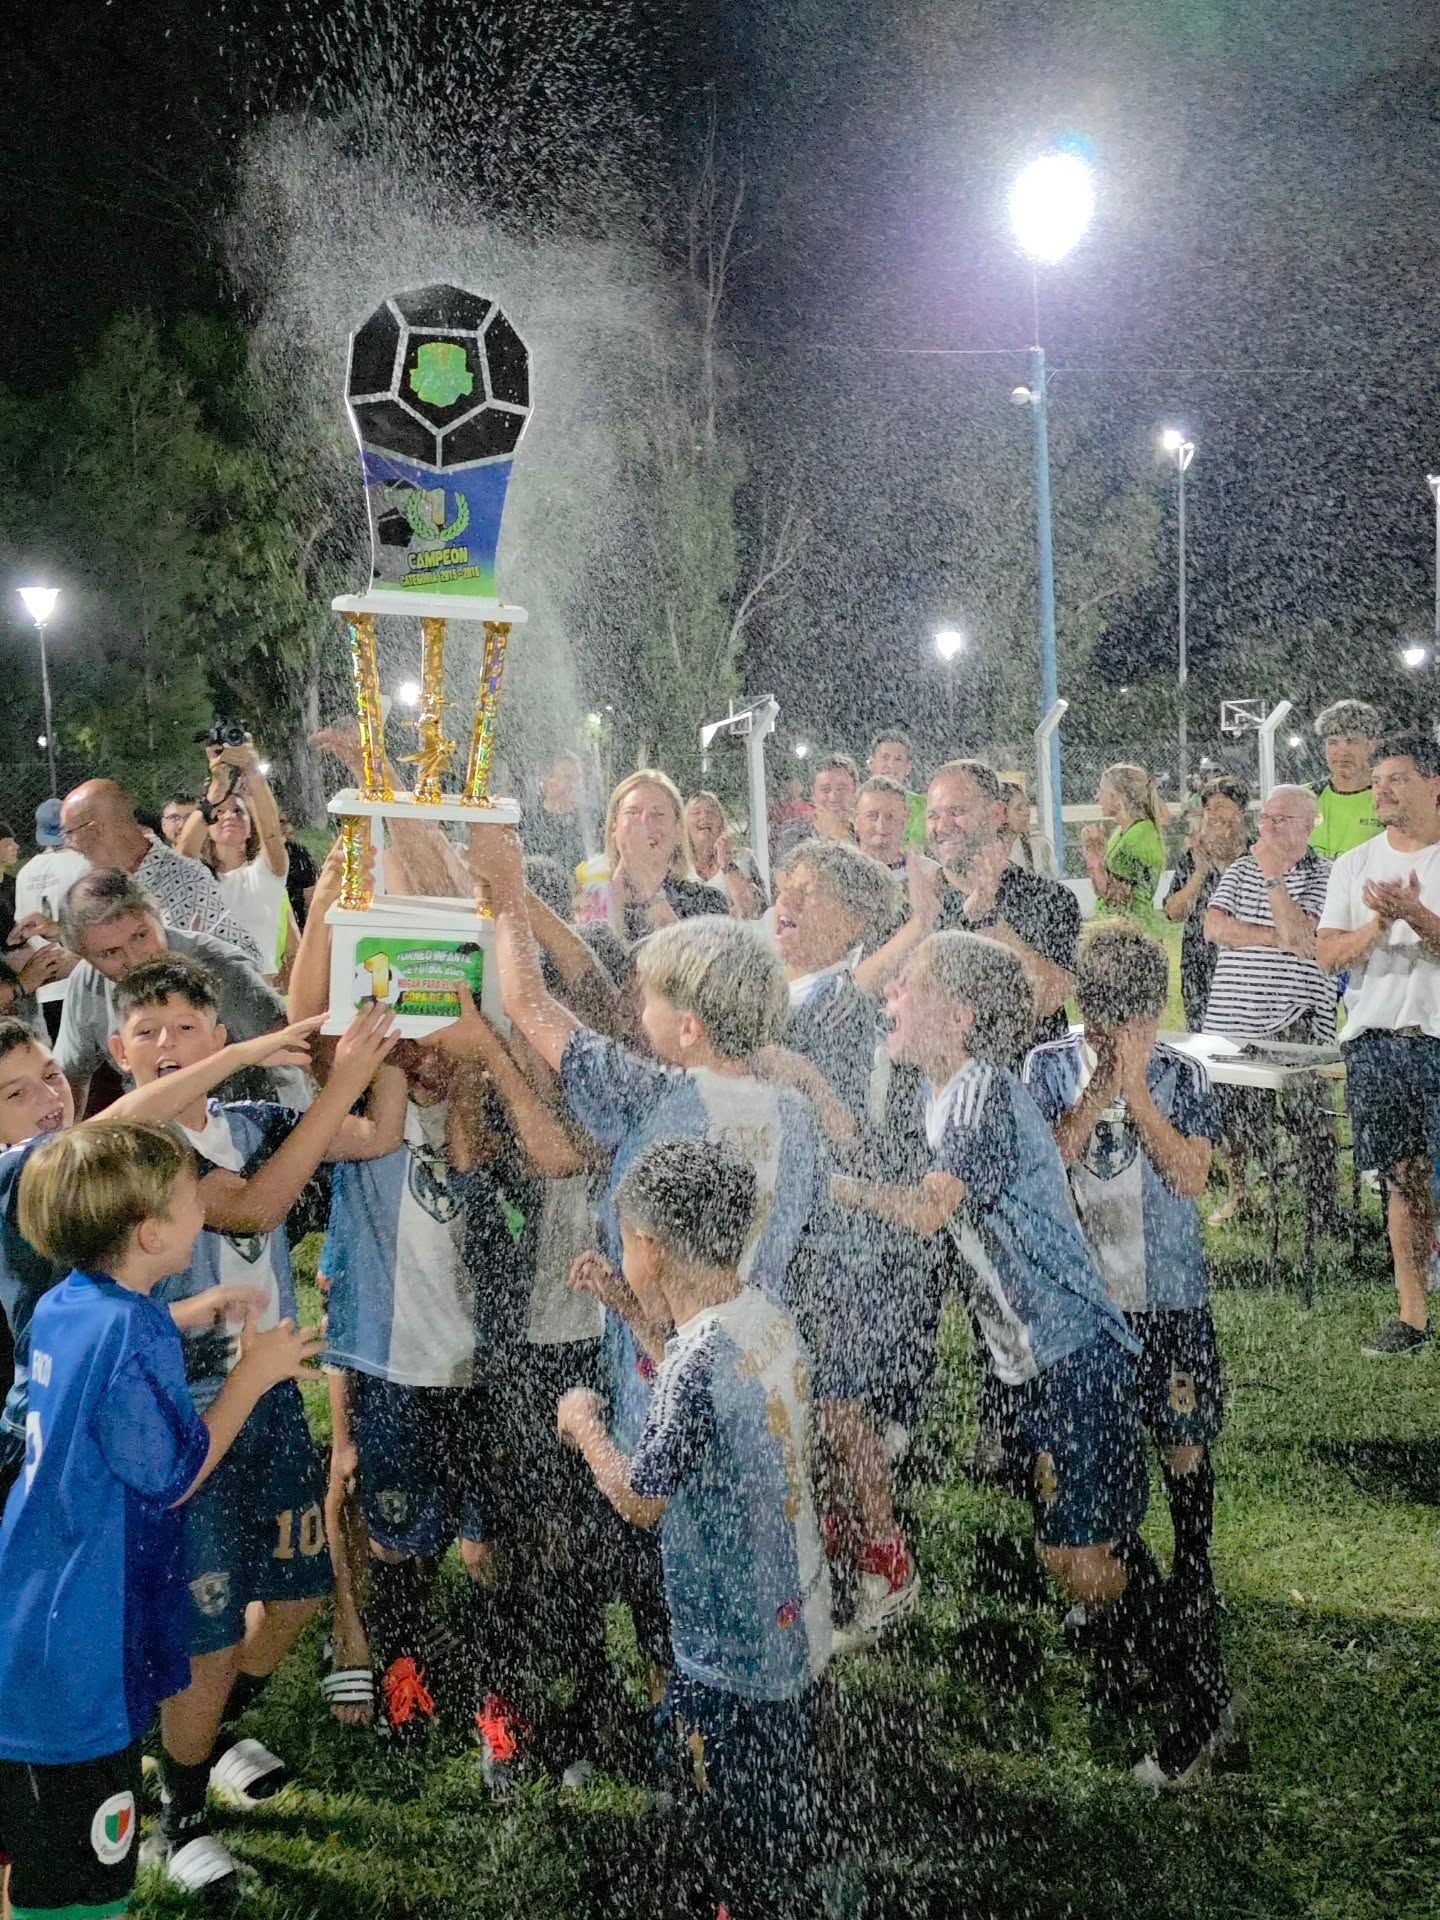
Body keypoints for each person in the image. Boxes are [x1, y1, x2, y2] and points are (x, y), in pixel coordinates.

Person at [834, 934, 1233, 1783]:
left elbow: (925, 1214)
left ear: (960, 1014)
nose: (891, 997)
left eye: (909, 986)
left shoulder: (979, 1093)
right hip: (1031, 1362)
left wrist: (824, 1185)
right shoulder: (943, 1095)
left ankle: (1199, 1702)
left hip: (1071, 1350)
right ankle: (1158, 1662)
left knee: (1075, 1558)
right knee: (1093, 1541)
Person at [107, 955, 400, 1895]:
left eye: (186, 1028)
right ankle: (179, 1812)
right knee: (209, 1628)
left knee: (302, 1593)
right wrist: (341, 1083)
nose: (165, 1046)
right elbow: (262, 1203)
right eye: (146, 1033)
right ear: (118, 1051)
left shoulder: (254, 1121)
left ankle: (212, 1735)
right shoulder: (137, 1153)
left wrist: (393, 1027)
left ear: (221, 1043)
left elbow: (381, 1132)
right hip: (182, 1413)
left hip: (271, 1398)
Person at [0, 1119, 322, 1920]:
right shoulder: (130, 1329)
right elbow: (172, 1476)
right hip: (75, 1663)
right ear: (149, 1232)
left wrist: (191, 1313)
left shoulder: (66, 1303)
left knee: (30, 1855)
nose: (205, 1210)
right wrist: (250, 1378)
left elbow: (100, 1367)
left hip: (29, 1615)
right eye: (194, 1201)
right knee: (82, 1892)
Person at [556, 1137, 830, 1918]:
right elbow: (701, 1394)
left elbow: (642, 1498)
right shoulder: (760, 1314)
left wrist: (583, 1427)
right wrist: (630, 1310)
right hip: (794, 1621)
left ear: (648, 1247)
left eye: (622, 1239)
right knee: (778, 1798)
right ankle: (784, 1877)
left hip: (729, 1653)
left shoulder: (692, 1366)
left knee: (723, 1820)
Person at [1024, 923, 1236, 1788]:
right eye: (1103, 1021)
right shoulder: (1044, 1070)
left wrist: (1140, 1093)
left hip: (1171, 1302)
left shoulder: (1185, 1073)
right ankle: (1129, 1622)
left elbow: (1189, 1177)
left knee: (1182, 1445)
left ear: (1155, 1010)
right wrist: (1099, 1091)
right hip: (1087, 1312)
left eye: (1133, 1020)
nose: (1116, 1037)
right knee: (1091, 1473)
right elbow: (1046, 1171)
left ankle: (1192, 1578)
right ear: (1081, 1007)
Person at [1317, 734, 1440, 1355]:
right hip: (1379, 1045)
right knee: (1403, 1179)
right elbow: (1328, 954)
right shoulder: (1356, 863)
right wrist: (1381, 922)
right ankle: (1412, 1317)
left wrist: (1418, 918)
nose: (1382, 789)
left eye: (1398, 777)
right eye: (1379, 779)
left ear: (1435, 784)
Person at [865, 760, 1079, 1054]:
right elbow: (864, 992)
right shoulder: (916, 900)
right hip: (927, 1092)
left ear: (995, 815)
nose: (942, 827)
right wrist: (919, 924)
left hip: (1019, 1089)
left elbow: (1048, 998)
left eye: (957, 812)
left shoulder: (1047, 898)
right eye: (933, 816)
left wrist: (988, 918)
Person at [54, 869, 295, 1113]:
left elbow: (294, 1044)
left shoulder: (221, 967)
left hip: (260, 1124)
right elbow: (69, 1077)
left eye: (140, 936)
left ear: (157, 917)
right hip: (164, 1130)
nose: (135, 958)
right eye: (110, 953)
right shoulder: (86, 982)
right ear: (83, 956)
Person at [1203, 786, 1335, 1231]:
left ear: (1308, 824)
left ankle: (1322, 1206)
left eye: (1282, 819)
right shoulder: (1241, 869)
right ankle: (1241, 1194)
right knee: (1233, 1116)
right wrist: (1278, 936)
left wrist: (1275, 879)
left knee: (1309, 1115)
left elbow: (1306, 939)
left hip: (1294, 1015)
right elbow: (1215, 927)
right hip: (1231, 1015)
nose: (1270, 827)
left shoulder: (1326, 873)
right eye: (1266, 819)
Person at [59, 778, 263, 966]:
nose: (67, 844)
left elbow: (246, 959)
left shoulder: (185, 881)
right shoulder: (95, 886)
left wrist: (187, 962)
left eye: (69, 833)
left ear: (94, 830)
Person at [176, 740, 291, 979]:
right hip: (203, 990)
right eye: (219, 813)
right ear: (207, 827)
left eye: (239, 811)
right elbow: (184, 851)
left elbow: (271, 833)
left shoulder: (265, 874)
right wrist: (218, 784)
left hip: (256, 989)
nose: (229, 816)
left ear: (251, 827)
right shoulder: (197, 879)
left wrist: (252, 771)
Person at [1164, 776, 1251, 1031]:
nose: (1213, 815)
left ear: (1241, 812)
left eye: (1222, 806)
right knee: (1202, 1034)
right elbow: (1173, 912)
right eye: (1209, 808)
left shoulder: (1259, 853)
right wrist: (1200, 871)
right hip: (1199, 963)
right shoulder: (1193, 858)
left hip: (1244, 962)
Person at [10, 797, 87, 1033]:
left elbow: (21, 927)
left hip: (45, 984)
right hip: (82, 976)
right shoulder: (84, 863)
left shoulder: (26, 872)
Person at [1082, 763, 1169, 933]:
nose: (1097, 797)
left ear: (1117, 797)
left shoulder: (1138, 837)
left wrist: (1094, 856)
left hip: (1133, 934)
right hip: (1123, 930)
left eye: (1102, 790)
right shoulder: (1123, 832)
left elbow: (1113, 897)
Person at [1310, 698, 1383, 860]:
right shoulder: (1304, 796)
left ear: (1371, 745)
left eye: (1351, 741)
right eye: (1333, 742)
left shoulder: (1387, 797)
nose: (1342, 752)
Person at [684, 790, 766, 918]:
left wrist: (727, 864)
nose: (704, 816)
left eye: (711, 812)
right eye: (696, 812)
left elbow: (752, 910)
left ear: (721, 823)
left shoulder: (743, 858)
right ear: (685, 825)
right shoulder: (678, 868)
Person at [777, 752, 859, 860]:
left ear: (856, 789)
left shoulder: (870, 831)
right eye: (825, 790)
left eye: (841, 789)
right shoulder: (794, 835)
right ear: (813, 793)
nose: (833, 797)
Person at [523, 750, 587, 878]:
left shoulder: (590, 822)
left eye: (578, 779)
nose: (574, 785)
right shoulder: (527, 822)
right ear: (547, 779)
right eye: (567, 778)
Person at [866, 731, 927, 849]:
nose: (891, 765)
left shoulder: (924, 807)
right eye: (885, 757)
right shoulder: (856, 803)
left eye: (898, 759)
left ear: (908, 767)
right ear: (871, 763)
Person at [1000, 779, 1058, 879]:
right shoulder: (986, 852)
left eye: (1027, 805)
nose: (1027, 812)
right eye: (1019, 808)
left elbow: (1052, 887)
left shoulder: (1039, 847)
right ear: (1001, 813)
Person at [854, 776, 911, 875]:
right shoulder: (839, 873)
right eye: (872, 816)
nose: (881, 825)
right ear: (855, 819)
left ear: (905, 818)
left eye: (890, 816)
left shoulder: (927, 873)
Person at [278, 809, 319, 932]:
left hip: (295, 927)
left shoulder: (298, 854)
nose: (288, 828)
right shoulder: (252, 853)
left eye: (288, 822)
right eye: (280, 822)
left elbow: (311, 900)